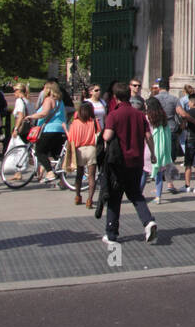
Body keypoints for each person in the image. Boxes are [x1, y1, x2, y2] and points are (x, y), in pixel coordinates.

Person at [100, 81, 158, 245]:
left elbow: (107, 136)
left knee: (114, 196)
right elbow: (148, 136)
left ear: (116, 98)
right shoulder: (139, 115)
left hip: (119, 162)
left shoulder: (114, 114)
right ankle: (148, 221)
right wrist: (152, 154)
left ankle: (111, 233)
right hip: (136, 161)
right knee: (136, 194)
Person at [31, 81, 68, 186]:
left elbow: (44, 113)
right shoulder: (60, 102)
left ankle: (50, 172)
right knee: (57, 156)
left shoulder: (49, 99)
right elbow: (64, 115)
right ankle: (62, 180)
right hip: (60, 130)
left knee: (39, 151)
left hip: (49, 129)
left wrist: (31, 116)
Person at [65, 101, 100, 207]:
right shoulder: (94, 122)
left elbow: (71, 138)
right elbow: (99, 134)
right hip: (91, 149)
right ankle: (90, 199)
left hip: (79, 150)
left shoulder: (75, 123)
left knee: (79, 175)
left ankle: (78, 196)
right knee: (91, 177)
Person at [149, 79, 183, 188]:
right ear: (169, 88)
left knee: (157, 154)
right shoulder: (174, 99)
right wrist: (183, 123)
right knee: (169, 156)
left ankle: (156, 177)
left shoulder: (154, 99)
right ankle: (169, 181)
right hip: (170, 128)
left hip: (156, 129)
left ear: (159, 87)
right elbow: (180, 113)